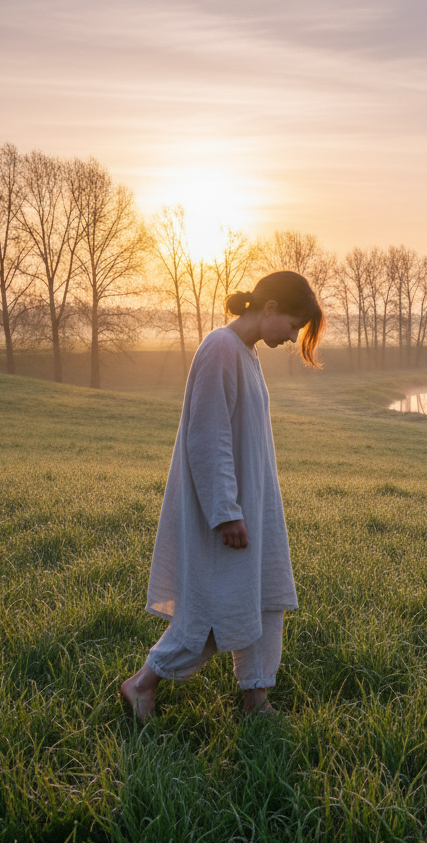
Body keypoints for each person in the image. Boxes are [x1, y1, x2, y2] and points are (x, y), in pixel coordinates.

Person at [120, 271, 324, 721]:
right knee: (218, 606)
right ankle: (140, 684)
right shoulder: (220, 347)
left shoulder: (247, 353)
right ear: (268, 308)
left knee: (262, 597)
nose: (293, 337)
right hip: (226, 513)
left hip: (252, 506)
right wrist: (226, 511)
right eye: (292, 325)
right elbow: (208, 436)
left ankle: (257, 698)